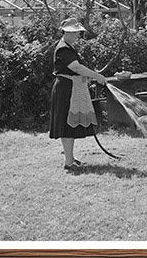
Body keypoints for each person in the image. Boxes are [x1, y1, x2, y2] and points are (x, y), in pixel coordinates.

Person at [49, 17, 115, 170]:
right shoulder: (64, 49)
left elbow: (76, 69)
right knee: (67, 124)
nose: (77, 35)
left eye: (78, 32)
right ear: (67, 32)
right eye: (75, 32)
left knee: (69, 124)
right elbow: (76, 68)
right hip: (66, 89)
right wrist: (96, 76)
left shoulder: (67, 47)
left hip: (69, 87)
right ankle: (68, 162)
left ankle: (70, 159)